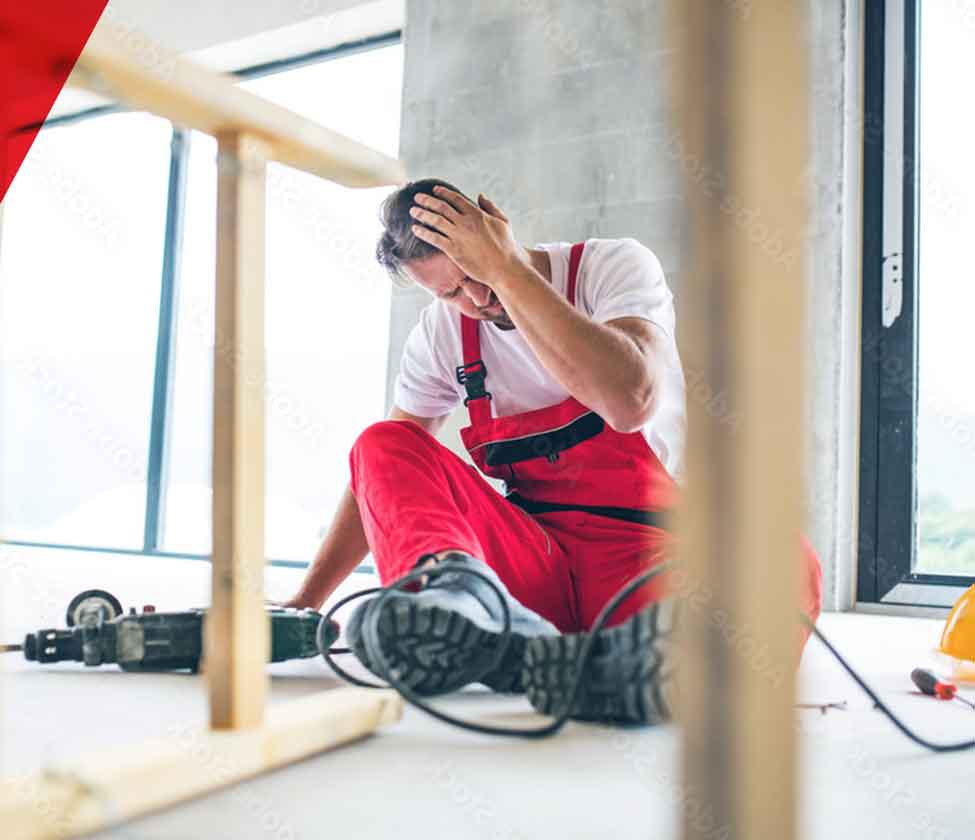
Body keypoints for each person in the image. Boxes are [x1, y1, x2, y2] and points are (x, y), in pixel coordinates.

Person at [287, 177, 822, 724]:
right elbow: (382, 476)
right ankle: (466, 602)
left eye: (474, 271)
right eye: (450, 292)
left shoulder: (611, 269)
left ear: (497, 226)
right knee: (383, 440)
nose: (474, 298)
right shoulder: (443, 334)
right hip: (534, 563)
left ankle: (637, 662)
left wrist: (506, 271)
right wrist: (304, 605)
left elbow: (630, 400)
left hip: (650, 556)